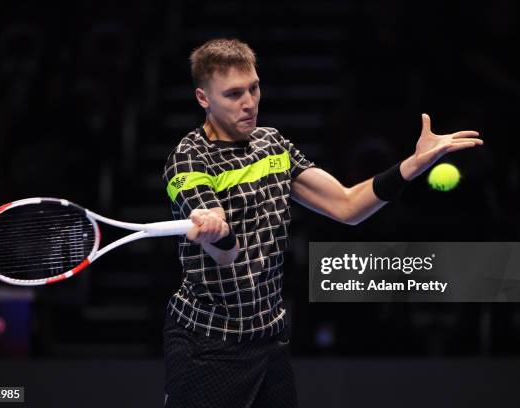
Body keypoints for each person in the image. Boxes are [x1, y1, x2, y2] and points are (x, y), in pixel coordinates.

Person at [161, 38, 483, 408]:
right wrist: (218, 229)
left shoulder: (272, 145)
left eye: (254, 88)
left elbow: (347, 206)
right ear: (204, 98)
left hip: (269, 339)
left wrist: (412, 166)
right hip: (208, 343)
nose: (249, 103)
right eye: (233, 94)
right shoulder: (187, 160)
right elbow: (225, 255)